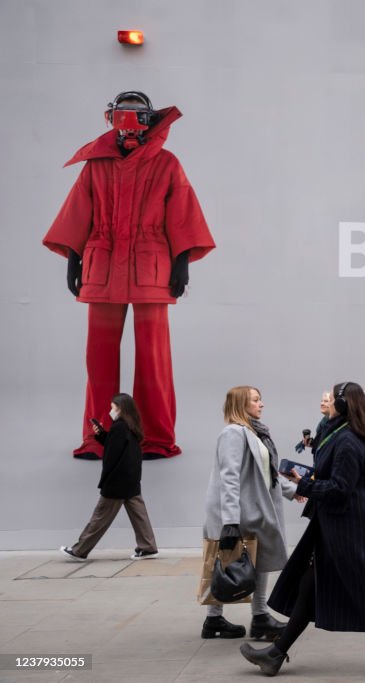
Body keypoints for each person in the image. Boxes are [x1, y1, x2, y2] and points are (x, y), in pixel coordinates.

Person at [42, 91, 215, 460]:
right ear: (111, 118)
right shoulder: (97, 164)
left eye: (137, 115)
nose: (129, 122)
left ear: (150, 120)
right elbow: (79, 210)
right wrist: (74, 258)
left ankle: (156, 437)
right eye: (123, 114)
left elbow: (182, 210)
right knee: (98, 358)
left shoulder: (167, 163)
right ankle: (98, 436)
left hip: (151, 266)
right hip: (102, 266)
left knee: (154, 358)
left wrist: (181, 260)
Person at [242, 382, 365, 678]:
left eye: (332, 400)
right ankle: (276, 653)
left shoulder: (348, 440)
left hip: (350, 525)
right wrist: (307, 478)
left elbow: (340, 488)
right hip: (336, 523)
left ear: (344, 405)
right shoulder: (340, 433)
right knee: (311, 584)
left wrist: (303, 484)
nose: (327, 404)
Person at [202, 387, 298, 641]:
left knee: (243, 558)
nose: (261, 404)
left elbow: (268, 473)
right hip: (241, 509)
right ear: (241, 404)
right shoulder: (233, 433)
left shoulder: (253, 433)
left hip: (251, 507)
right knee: (228, 560)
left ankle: (227, 618)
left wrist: (293, 491)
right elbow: (229, 477)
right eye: (256, 400)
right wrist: (230, 521)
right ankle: (253, 617)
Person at [60, 394, 158, 561]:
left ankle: (79, 551)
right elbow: (116, 446)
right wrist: (102, 435)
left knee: (100, 517)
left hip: (117, 481)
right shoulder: (131, 426)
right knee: (139, 515)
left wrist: (105, 481)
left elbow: (112, 454)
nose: (110, 411)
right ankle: (148, 547)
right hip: (131, 478)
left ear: (121, 409)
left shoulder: (119, 427)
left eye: (113, 408)